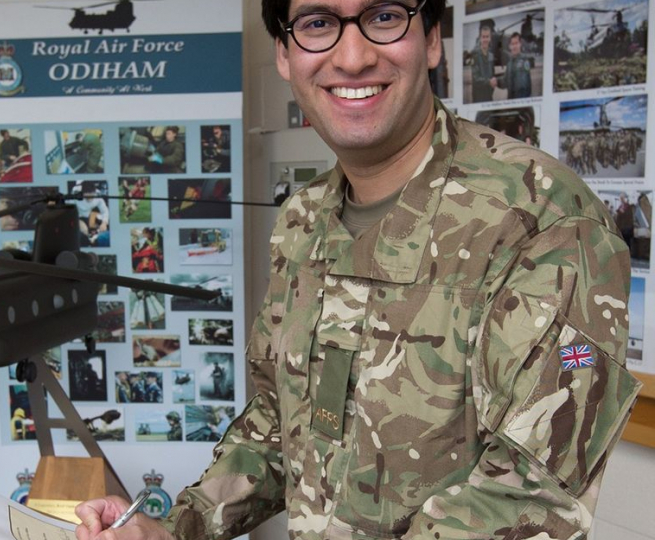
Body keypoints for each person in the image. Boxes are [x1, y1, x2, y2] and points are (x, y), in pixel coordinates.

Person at [76, 0, 639, 538]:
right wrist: (178, 526)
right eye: (318, 22)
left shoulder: (542, 218)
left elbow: (531, 490)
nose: (352, 57)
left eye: (385, 16)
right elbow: (279, 421)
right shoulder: (303, 219)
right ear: (285, 53)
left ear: (432, 40)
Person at [498, 32, 532, 99]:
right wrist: (495, 81)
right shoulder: (510, 63)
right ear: (509, 46)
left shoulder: (523, 61)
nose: (514, 46)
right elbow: (505, 81)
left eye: (516, 43)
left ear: (520, 44)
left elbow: (522, 88)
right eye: (512, 44)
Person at [470, 20, 497, 102]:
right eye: (483, 37)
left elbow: (492, 74)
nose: (485, 40)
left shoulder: (491, 55)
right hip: (479, 96)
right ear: (480, 38)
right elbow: (476, 78)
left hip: (489, 96)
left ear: (490, 38)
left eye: (487, 37)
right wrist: (489, 82)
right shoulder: (475, 55)